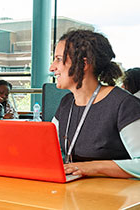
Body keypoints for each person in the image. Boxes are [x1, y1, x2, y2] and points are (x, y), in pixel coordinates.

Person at [50, 29, 140, 178]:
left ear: (84, 64)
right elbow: (48, 148)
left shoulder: (123, 104)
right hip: (75, 192)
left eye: (59, 59)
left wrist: (92, 167)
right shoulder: (67, 103)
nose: (52, 67)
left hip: (115, 196)